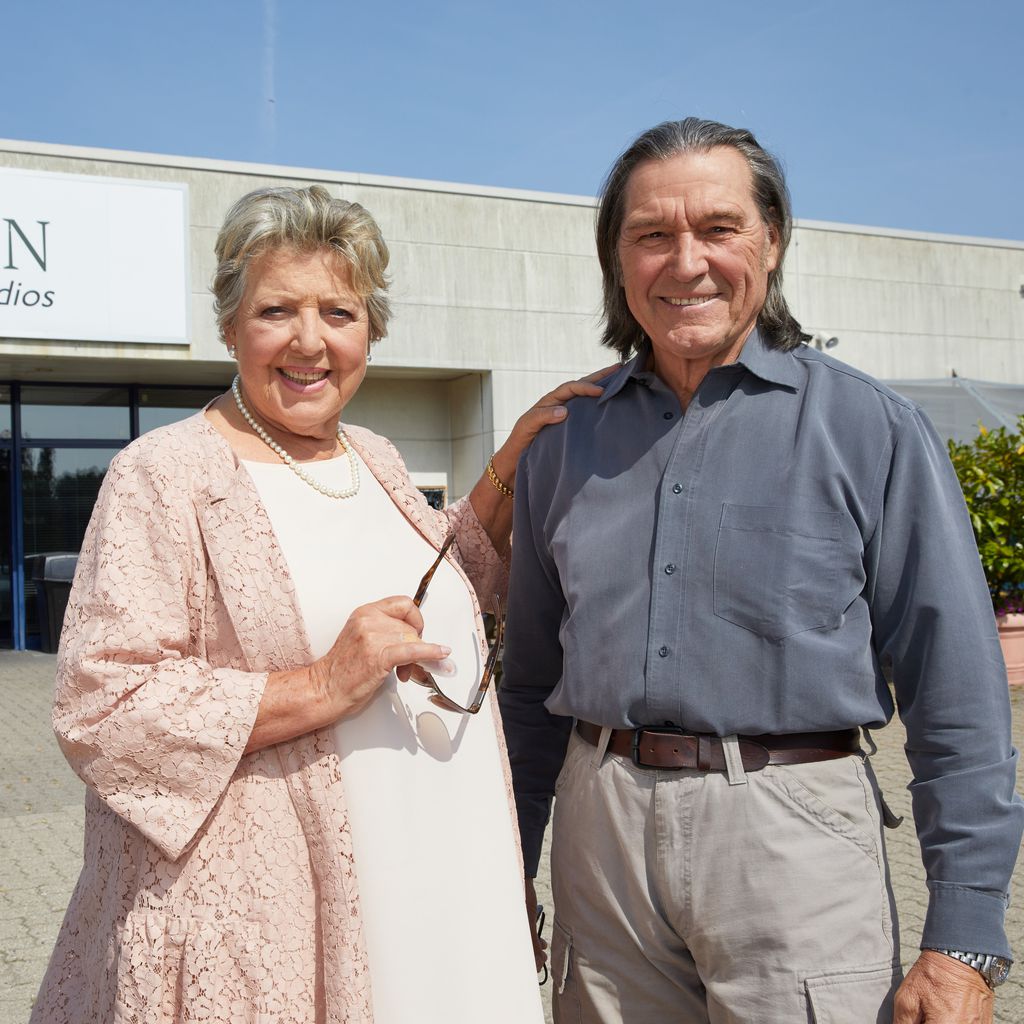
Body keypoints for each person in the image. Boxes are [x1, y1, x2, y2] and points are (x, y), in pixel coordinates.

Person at [31, 184, 604, 1024]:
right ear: (231, 325)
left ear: (370, 330)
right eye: (277, 311)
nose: (310, 342)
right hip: (292, 912)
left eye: (339, 312)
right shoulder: (164, 473)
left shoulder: (373, 456)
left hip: (444, 876)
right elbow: (103, 704)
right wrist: (321, 684)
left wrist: (509, 463)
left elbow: (440, 581)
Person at [499, 117, 1024, 1024]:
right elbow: (529, 685)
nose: (686, 262)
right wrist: (507, 865)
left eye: (719, 228)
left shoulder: (872, 431)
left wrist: (965, 935)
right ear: (617, 259)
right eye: (652, 234)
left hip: (794, 837)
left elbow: (957, 693)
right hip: (599, 842)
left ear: (771, 241)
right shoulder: (563, 443)